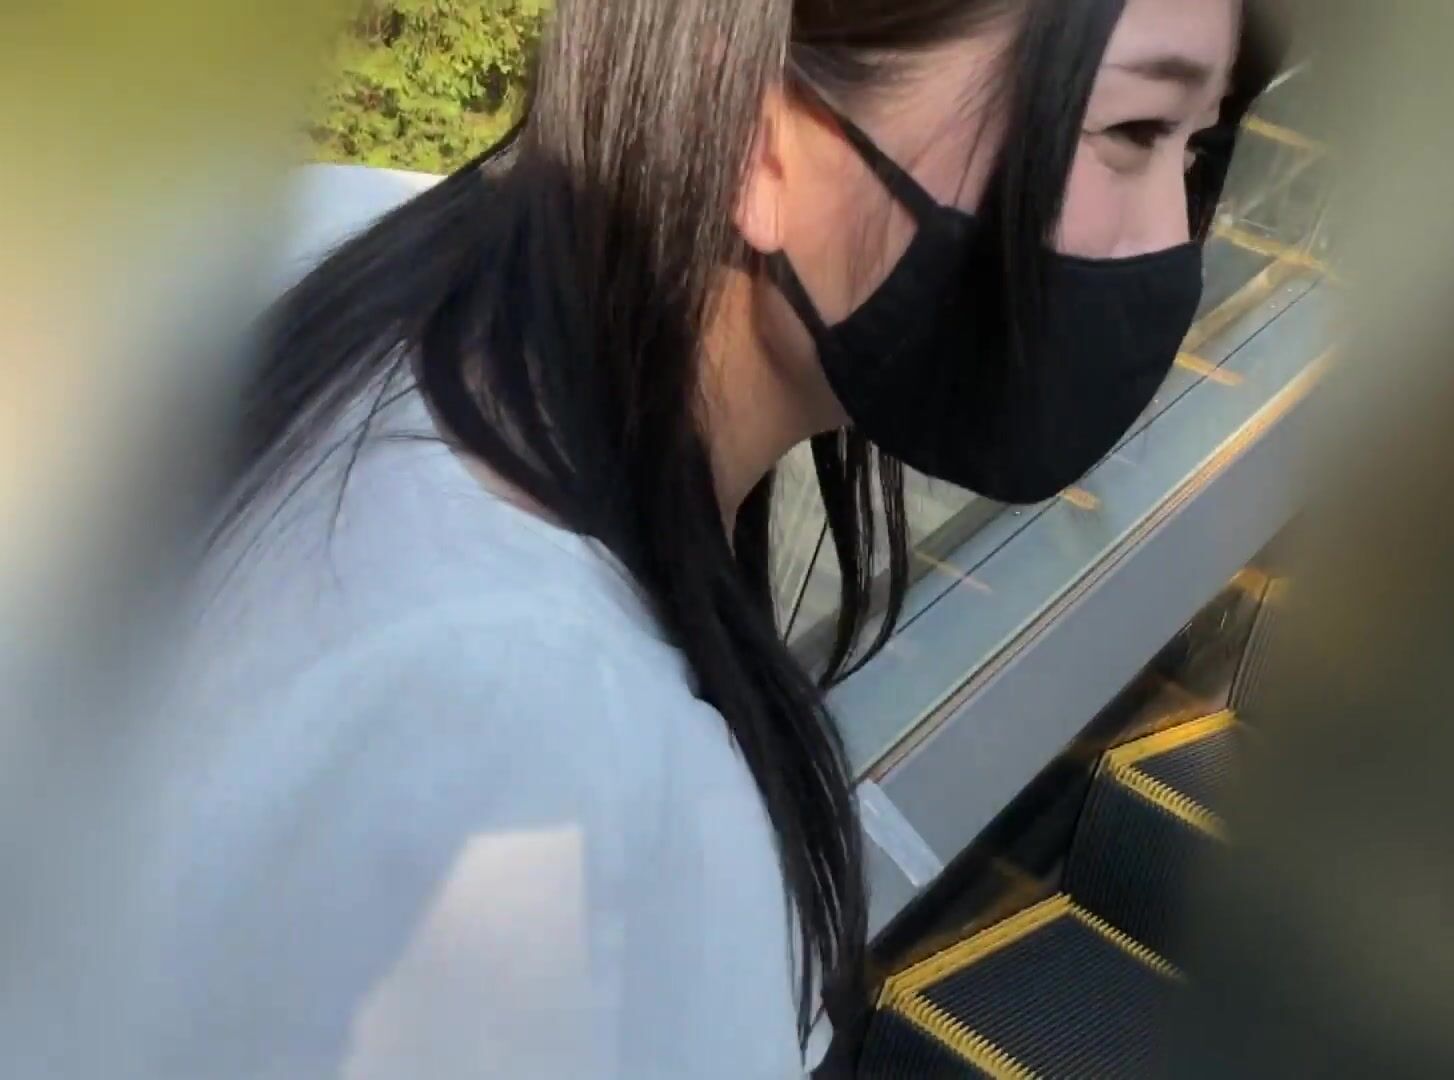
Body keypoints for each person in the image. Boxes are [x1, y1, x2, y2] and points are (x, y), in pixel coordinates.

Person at [124, 0, 1265, 1075]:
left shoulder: (304, 236)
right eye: (1131, 131)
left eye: (1197, 149)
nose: (1175, 241)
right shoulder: (583, 806)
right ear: (763, 141)